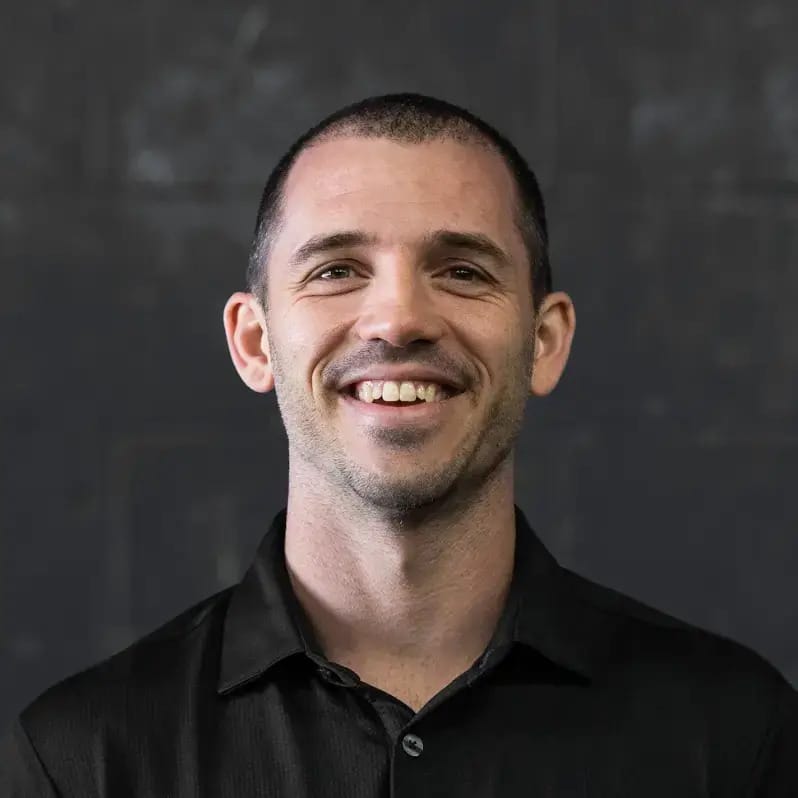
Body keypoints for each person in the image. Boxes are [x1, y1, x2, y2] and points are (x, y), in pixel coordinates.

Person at [1, 92, 795, 796]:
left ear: (545, 342)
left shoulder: (735, 738)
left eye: (463, 271)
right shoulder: (83, 761)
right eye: (337, 270)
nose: (398, 319)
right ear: (254, 342)